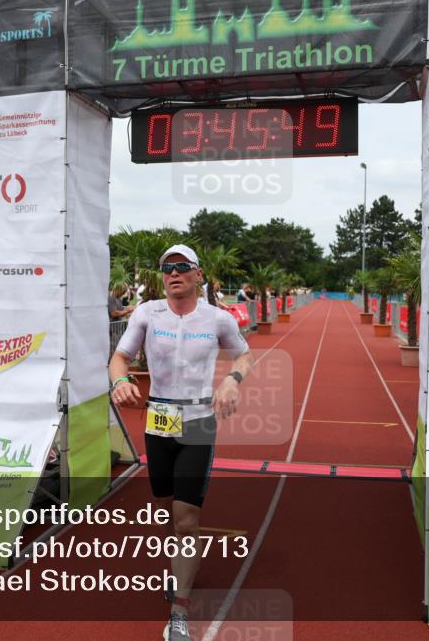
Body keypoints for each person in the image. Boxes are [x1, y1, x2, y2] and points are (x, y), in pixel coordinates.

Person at [109, 244, 252, 641]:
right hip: (158, 418)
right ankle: (183, 557)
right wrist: (120, 381)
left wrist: (231, 380)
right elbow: (119, 358)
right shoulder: (147, 313)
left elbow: (244, 356)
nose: (174, 274)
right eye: (167, 268)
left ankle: (179, 611)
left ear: (197, 274)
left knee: (187, 516)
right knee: (167, 508)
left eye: (182, 267)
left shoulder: (218, 319)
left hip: (199, 421)